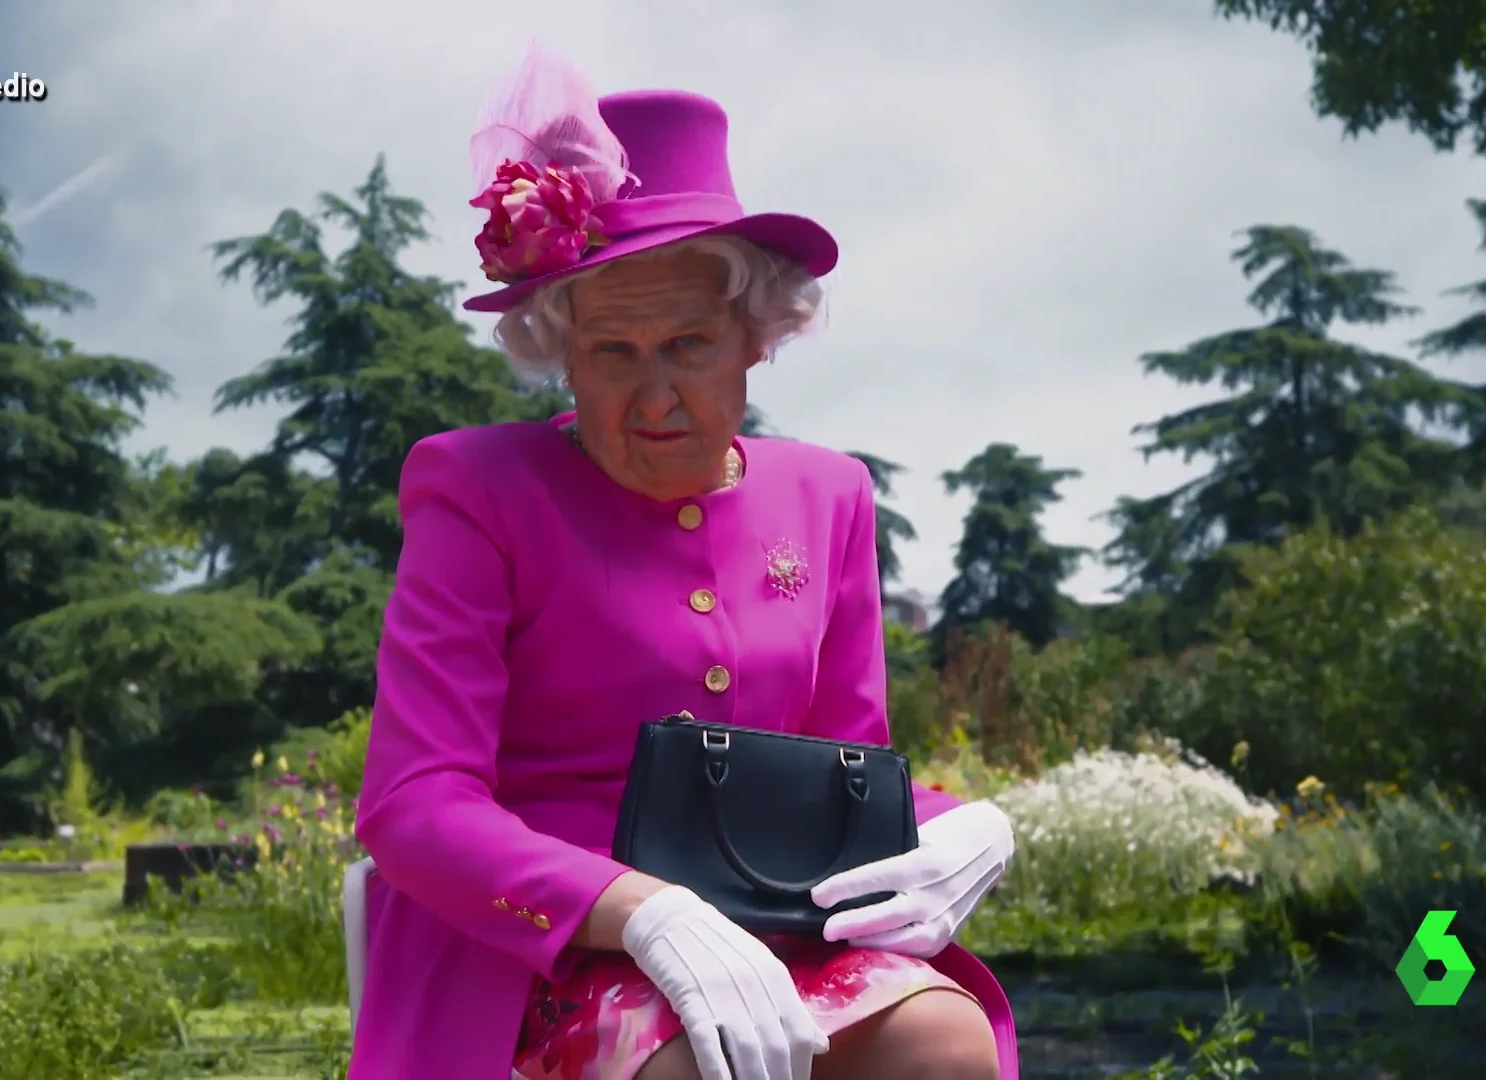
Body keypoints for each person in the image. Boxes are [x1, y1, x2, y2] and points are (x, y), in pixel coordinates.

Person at [350, 45, 1020, 1080]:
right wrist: (642, 913)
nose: (654, 396)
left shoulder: (828, 495)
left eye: (690, 346)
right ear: (559, 349)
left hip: (773, 914)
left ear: (756, 335)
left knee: (941, 1043)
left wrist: (968, 824)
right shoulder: (475, 489)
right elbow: (415, 805)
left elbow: (839, 770)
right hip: (540, 946)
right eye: (615, 352)